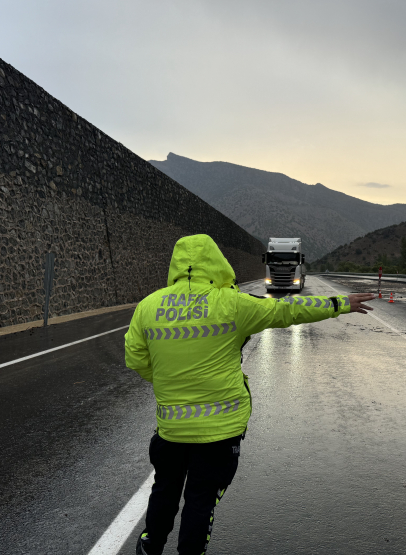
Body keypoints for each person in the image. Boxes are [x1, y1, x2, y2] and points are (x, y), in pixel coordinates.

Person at [125, 234, 376, 555]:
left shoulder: (149, 306)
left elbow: (135, 358)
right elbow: (287, 311)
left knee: (164, 491)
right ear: (216, 263)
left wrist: (167, 379)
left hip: (170, 430)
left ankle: (150, 546)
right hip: (219, 433)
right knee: (200, 500)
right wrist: (338, 304)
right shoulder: (231, 304)